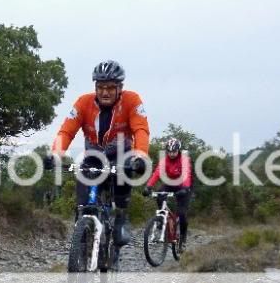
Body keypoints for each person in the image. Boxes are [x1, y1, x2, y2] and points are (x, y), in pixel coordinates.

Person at [45, 60, 150, 246]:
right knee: (84, 196)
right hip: (94, 154)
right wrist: (55, 153)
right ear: (95, 87)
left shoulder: (132, 100)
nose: (105, 92)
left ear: (120, 88)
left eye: (110, 87)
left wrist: (140, 155)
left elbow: (141, 129)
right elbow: (66, 131)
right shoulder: (83, 102)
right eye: (100, 87)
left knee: (123, 177)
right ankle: (83, 226)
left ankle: (121, 218)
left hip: (121, 154)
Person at [142, 137, 193, 248]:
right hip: (170, 184)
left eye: (174, 151)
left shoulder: (183, 160)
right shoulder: (164, 160)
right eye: (169, 152)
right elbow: (157, 173)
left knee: (182, 214)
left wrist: (185, 188)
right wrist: (148, 187)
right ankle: (162, 219)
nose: (172, 154)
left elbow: (187, 174)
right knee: (160, 194)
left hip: (184, 186)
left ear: (178, 151)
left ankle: (183, 237)